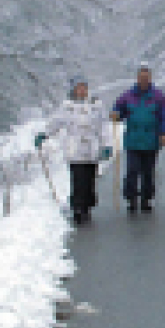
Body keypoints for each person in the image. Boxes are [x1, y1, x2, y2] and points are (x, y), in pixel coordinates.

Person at [35, 78, 113, 224]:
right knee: (78, 179)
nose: (82, 90)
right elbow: (55, 122)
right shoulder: (67, 107)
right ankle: (78, 208)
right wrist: (44, 134)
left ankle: (87, 205)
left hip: (92, 149)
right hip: (74, 149)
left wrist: (107, 145)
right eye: (79, 88)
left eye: (84, 87)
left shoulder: (96, 105)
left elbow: (104, 127)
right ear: (73, 90)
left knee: (89, 179)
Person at [111, 63, 165, 213]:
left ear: (150, 78)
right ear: (137, 78)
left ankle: (146, 199)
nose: (144, 80)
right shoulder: (128, 95)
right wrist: (116, 114)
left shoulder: (158, 96)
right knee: (132, 170)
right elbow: (118, 109)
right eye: (141, 77)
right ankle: (131, 199)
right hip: (133, 140)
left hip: (151, 140)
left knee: (148, 171)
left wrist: (164, 133)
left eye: (146, 77)